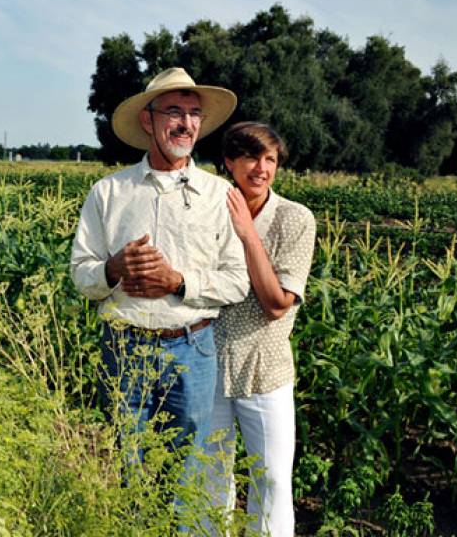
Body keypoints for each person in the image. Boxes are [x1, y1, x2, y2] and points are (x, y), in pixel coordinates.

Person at [70, 67, 250, 487]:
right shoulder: (108, 192)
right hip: (123, 347)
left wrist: (177, 282)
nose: (185, 123)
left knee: (183, 478)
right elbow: (81, 274)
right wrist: (113, 269)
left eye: (193, 113)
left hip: (191, 348)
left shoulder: (219, 195)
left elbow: (238, 281)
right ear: (148, 120)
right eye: (174, 111)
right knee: (127, 470)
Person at [208, 122, 316, 537]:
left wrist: (248, 234)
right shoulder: (208, 210)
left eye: (270, 159)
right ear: (229, 162)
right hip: (209, 365)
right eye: (251, 157)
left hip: (265, 370)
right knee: (207, 479)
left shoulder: (295, 219)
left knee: (271, 482)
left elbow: (275, 303)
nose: (261, 168)